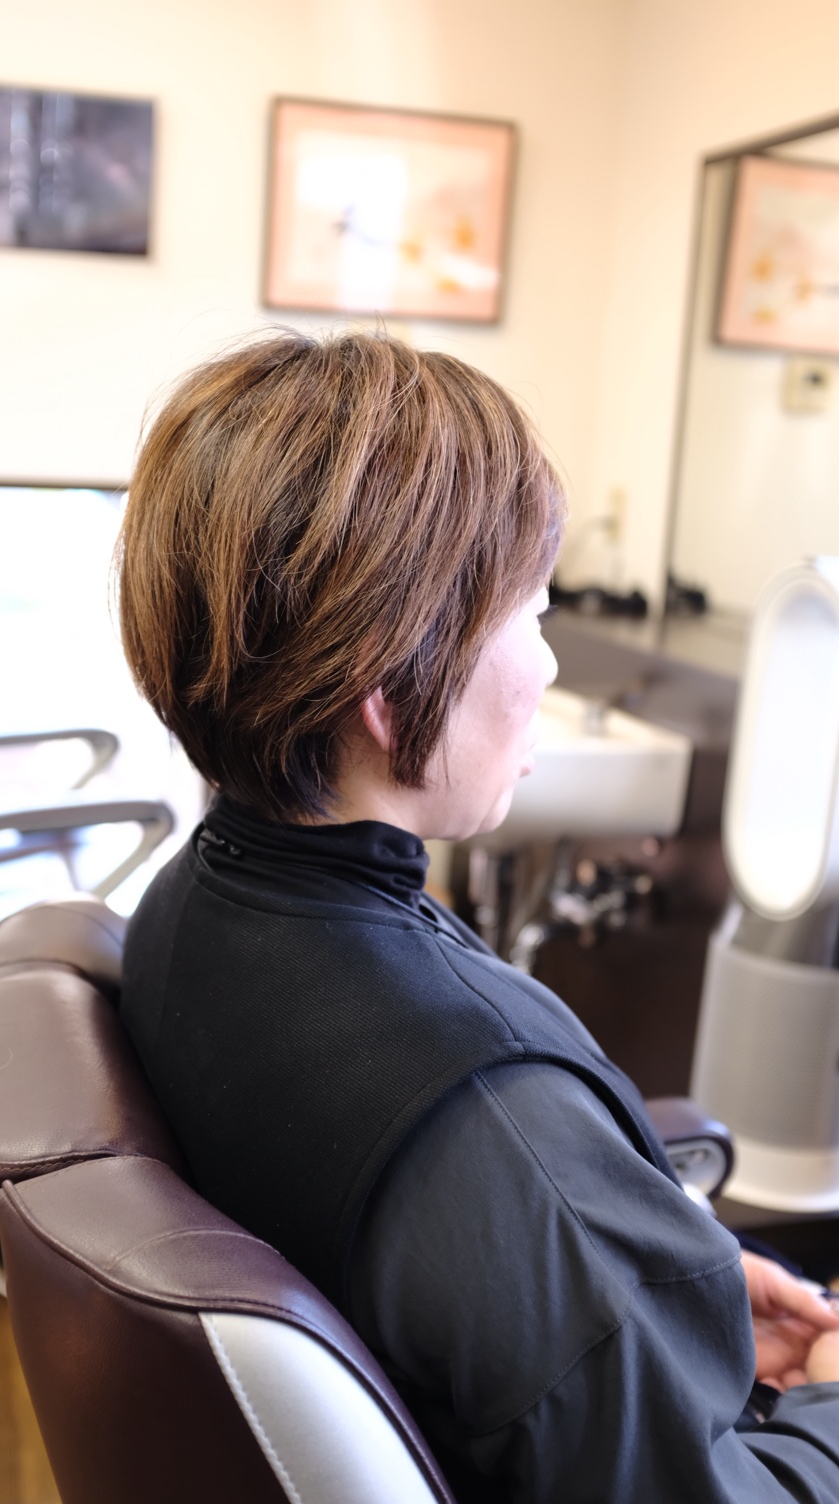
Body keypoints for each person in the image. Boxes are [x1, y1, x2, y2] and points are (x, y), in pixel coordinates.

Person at [115, 328, 839, 1502]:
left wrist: (662, 1294)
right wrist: (825, 1406)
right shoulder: (494, 1130)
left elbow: (516, 1286)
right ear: (391, 685)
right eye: (532, 616)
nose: (548, 669)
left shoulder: (189, 903)